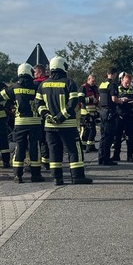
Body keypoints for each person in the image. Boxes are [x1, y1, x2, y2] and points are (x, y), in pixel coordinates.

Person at [35, 56, 91, 185]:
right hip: (67, 125)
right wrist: (61, 116)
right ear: (62, 67)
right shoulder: (69, 83)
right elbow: (73, 102)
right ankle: (77, 177)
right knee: (74, 150)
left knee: (54, 151)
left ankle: (57, 178)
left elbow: (38, 103)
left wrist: (46, 115)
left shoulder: (43, 84)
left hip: (50, 126)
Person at [1, 63, 44, 183]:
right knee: (34, 147)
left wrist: (10, 106)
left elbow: (0, 98)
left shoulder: (14, 87)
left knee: (19, 147)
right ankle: (36, 175)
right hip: (35, 122)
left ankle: (18, 175)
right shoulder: (36, 86)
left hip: (20, 122)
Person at [113, 72, 133, 162]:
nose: (128, 84)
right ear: (121, 80)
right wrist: (121, 100)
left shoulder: (132, 89)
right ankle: (116, 155)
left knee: (130, 137)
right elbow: (113, 99)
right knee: (117, 137)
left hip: (130, 116)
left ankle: (130, 156)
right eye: (126, 82)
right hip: (119, 115)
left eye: (129, 82)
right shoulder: (117, 88)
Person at [97, 67, 121, 165]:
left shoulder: (102, 84)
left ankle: (101, 157)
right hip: (110, 112)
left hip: (102, 111)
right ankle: (106, 159)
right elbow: (114, 99)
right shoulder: (112, 85)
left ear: (107, 73)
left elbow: (99, 99)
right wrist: (121, 101)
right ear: (114, 74)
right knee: (109, 136)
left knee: (103, 136)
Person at [33, 64, 50, 169]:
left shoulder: (35, 84)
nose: (34, 74)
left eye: (35, 72)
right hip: (48, 114)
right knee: (47, 138)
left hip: (37, 115)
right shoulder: (49, 82)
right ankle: (46, 160)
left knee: (40, 139)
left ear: (39, 72)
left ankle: (41, 161)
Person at [79, 74, 99, 153]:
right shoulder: (83, 87)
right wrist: (90, 100)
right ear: (88, 79)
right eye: (92, 81)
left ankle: (87, 146)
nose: (94, 82)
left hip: (93, 112)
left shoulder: (95, 88)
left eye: (95, 81)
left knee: (89, 130)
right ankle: (88, 146)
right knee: (90, 130)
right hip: (86, 113)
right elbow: (80, 99)